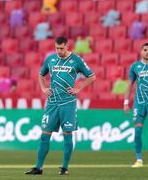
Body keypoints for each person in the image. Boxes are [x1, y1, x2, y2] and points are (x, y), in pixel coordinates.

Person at [25, 36, 96, 176]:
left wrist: (79, 88)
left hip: (68, 103)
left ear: (67, 46)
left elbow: (92, 76)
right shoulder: (50, 59)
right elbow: (41, 74)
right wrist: (44, 88)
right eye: (57, 48)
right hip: (52, 103)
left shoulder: (76, 60)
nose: (59, 51)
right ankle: (38, 168)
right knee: (45, 135)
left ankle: (65, 167)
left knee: (67, 135)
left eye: (61, 48)